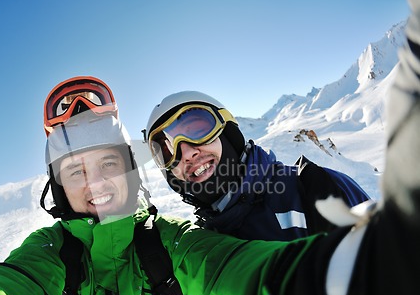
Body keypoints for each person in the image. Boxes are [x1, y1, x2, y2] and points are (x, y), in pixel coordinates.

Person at [0, 0, 420, 295]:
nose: (95, 183)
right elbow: (9, 294)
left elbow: (235, 270)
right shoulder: (51, 253)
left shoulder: (169, 244)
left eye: (197, 129)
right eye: (75, 171)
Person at [144, 91, 370, 240]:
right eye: (166, 151)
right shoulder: (202, 247)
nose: (188, 152)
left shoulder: (318, 190)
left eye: (197, 130)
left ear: (228, 133)